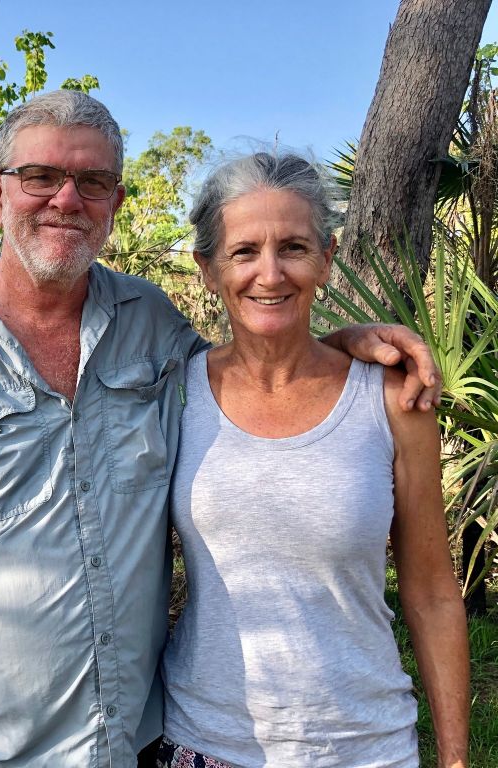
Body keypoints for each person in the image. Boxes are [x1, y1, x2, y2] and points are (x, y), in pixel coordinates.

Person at [0, 90, 442, 768]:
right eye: (40, 176)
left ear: (116, 204)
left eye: (93, 182)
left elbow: (257, 359)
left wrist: (343, 342)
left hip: (136, 738)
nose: (66, 199)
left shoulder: (150, 326)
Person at [156, 153, 470, 768]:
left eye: (294, 248)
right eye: (244, 251)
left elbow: (432, 590)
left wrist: (455, 758)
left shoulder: (393, 400)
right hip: (205, 740)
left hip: (364, 744)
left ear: (326, 259)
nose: (270, 274)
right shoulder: (173, 393)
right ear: (207, 269)